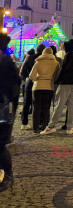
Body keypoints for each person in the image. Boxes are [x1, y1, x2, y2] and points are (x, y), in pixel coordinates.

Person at [41, 39, 73, 135]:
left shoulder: (69, 55)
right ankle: (70, 128)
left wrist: (57, 80)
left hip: (65, 83)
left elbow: (64, 69)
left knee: (59, 104)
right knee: (71, 106)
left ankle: (50, 127)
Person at [0, 34, 21, 192]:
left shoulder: (6, 62)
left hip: (3, 113)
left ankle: (8, 176)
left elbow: (14, 87)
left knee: (0, 145)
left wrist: (5, 100)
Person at [29, 47, 60, 133]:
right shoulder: (56, 63)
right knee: (46, 108)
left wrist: (37, 79)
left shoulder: (38, 62)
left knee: (36, 108)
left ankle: (35, 128)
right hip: (49, 87)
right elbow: (57, 76)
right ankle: (44, 126)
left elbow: (31, 75)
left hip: (37, 87)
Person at [20, 44, 45, 129]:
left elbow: (22, 72)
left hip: (29, 82)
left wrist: (26, 79)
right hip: (41, 83)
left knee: (26, 103)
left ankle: (24, 123)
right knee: (39, 104)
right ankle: (38, 123)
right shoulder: (44, 60)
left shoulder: (30, 58)